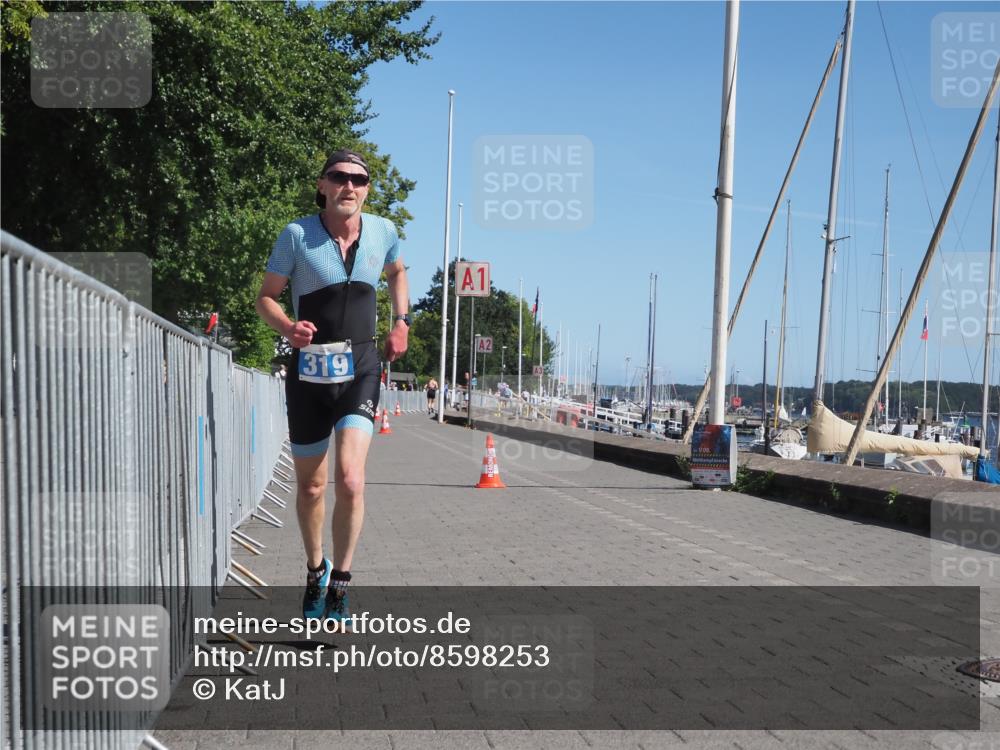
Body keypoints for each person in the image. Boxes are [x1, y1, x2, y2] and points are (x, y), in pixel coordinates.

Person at [255, 149, 409, 626]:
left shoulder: (383, 231)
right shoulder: (297, 234)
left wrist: (401, 321)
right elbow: (265, 297)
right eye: (339, 177)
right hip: (309, 372)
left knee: (351, 479)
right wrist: (286, 328)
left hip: (361, 365)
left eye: (359, 179)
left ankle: (341, 582)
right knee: (314, 486)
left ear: (366, 188)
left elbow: (397, 271)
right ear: (322, 185)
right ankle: (314, 569)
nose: (350, 186)